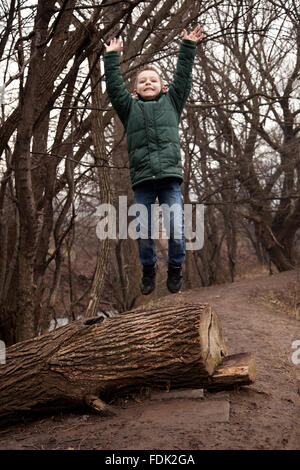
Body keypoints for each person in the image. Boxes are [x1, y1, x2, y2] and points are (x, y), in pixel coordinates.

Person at [104, 26, 203, 295]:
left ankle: (175, 267)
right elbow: (114, 88)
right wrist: (111, 57)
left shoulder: (172, 102)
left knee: (176, 227)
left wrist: (187, 47)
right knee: (143, 230)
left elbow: (183, 77)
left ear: (163, 87)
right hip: (144, 181)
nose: (148, 83)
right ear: (134, 91)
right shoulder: (130, 109)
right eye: (142, 81)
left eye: (153, 80)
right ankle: (148, 268)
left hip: (170, 179)